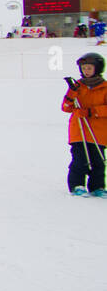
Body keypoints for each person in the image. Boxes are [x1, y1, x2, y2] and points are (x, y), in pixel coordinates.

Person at [63, 52, 107, 196]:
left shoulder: (104, 87)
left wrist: (91, 112)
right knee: (79, 159)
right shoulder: (77, 86)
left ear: (97, 68)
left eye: (89, 68)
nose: (86, 71)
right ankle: (77, 185)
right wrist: (72, 93)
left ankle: (97, 187)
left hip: (98, 131)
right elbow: (66, 107)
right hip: (79, 130)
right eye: (84, 68)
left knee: (98, 161)